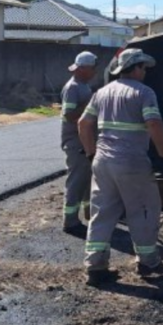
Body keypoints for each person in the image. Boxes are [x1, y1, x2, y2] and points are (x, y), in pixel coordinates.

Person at [78, 48, 163, 286]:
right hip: (131, 162)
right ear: (136, 67)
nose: (145, 73)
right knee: (143, 210)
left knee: (102, 213)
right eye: (144, 68)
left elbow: (83, 123)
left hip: (102, 161)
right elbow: (154, 123)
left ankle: (95, 267)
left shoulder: (102, 92)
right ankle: (148, 263)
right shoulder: (144, 92)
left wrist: (90, 153)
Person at [60, 51, 98, 235]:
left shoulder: (84, 86)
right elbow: (69, 115)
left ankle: (89, 213)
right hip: (75, 142)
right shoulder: (73, 88)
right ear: (82, 69)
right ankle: (70, 220)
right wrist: (91, 104)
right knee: (76, 181)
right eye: (92, 68)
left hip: (85, 141)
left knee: (86, 180)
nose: (94, 72)